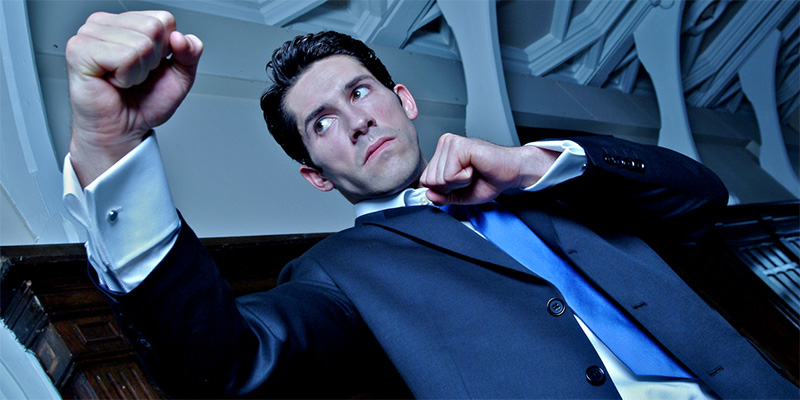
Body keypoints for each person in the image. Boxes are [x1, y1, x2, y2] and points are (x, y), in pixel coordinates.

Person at [62, 10, 796, 399]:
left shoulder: (547, 181)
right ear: (316, 176)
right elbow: (227, 367)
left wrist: (533, 164)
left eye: (360, 91)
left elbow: (700, 199)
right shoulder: (338, 275)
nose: (356, 121)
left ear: (402, 100)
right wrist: (112, 150)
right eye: (322, 123)